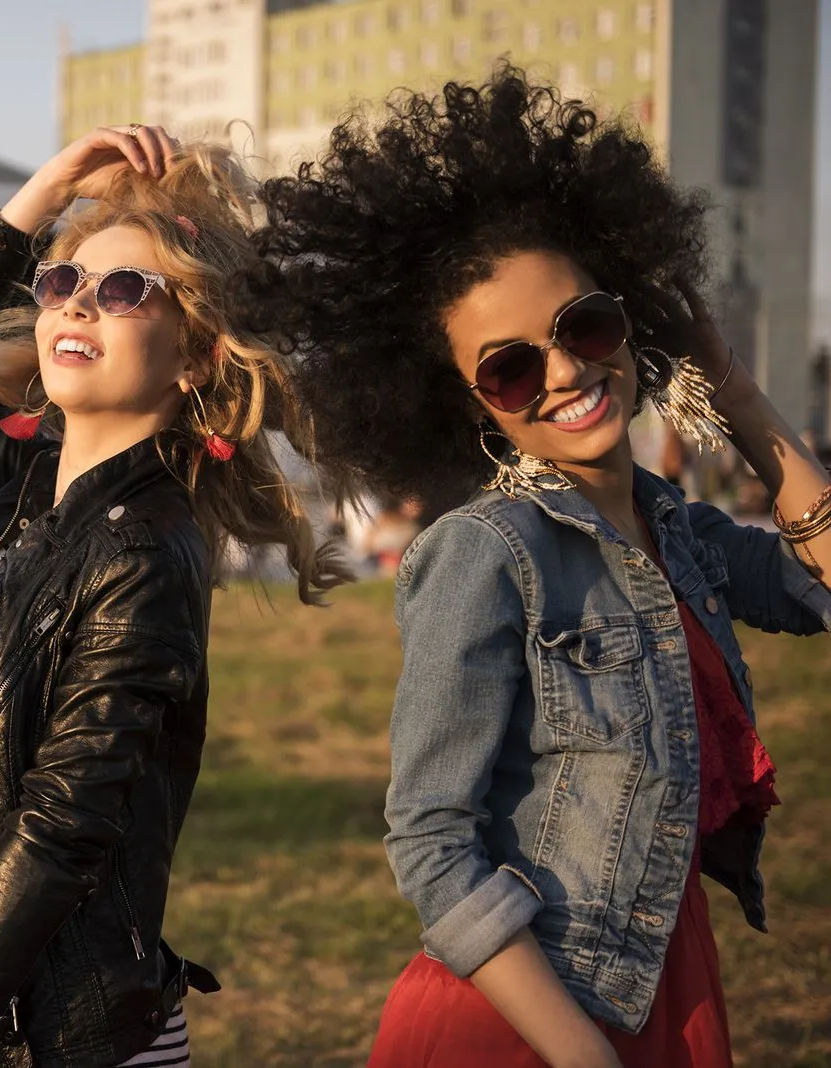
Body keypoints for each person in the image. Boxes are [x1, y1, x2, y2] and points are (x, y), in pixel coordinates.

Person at [235, 68, 831, 1067]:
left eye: (584, 325)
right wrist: (582, 1056)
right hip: (527, 1019)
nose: (563, 372)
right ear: (469, 404)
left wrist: (733, 390)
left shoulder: (677, 531)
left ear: (630, 319)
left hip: (661, 977)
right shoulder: (483, 553)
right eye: (509, 368)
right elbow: (430, 840)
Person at [0, 125, 348, 1068]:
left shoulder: (146, 550)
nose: (79, 302)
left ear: (194, 356)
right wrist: (47, 192)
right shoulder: (32, 484)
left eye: (125, 289)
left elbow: (62, 823)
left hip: (64, 1032)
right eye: (63, 283)